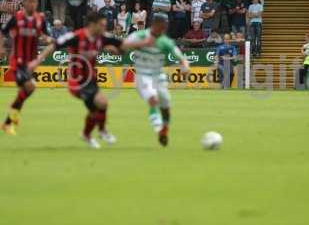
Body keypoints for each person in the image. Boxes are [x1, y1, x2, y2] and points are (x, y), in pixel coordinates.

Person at [31, 12, 154, 149]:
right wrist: (37, 61)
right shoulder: (76, 36)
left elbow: (123, 44)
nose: (104, 27)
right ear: (92, 24)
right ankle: (97, 132)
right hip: (77, 81)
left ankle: (92, 133)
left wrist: (142, 43)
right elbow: (53, 46)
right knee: (99, 104)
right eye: (101, 25)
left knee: (102, 105)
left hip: (91, 79)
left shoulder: (102, 37)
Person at [123, 12, 190, 146]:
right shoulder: (140, 35)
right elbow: (122, 46)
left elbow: (182, 58)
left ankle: (165, 128)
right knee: (153, 99)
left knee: (165, 104)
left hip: (158, 76)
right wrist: (142, 43)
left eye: (165, 26)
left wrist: (185, 67)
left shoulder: (166, 41)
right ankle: (159, 129)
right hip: (142, 75)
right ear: (154, 24)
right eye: (162, 25)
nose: (163, 28)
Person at [0, 0, 51, 135]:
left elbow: (44, 35)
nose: (32, 4)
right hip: (18, 61)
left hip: (31, 62)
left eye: (34, 2)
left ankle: (11, 117)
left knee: (27, 90)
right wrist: (1, 48)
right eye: (29, 1)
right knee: (29, 87)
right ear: (24, 3)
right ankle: (10, 119)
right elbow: (2, 32)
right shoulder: (16, 18)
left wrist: (49, 40)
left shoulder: (40, 19)